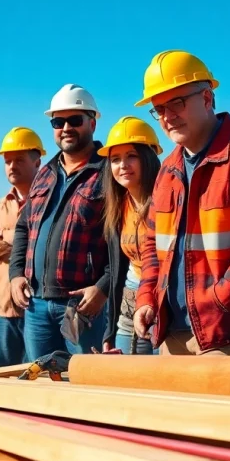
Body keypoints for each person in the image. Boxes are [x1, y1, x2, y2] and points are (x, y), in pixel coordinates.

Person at [132, 50, 230, 355]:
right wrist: (147, 297)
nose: (167, 116)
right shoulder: (168, 169)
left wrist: (219, 300)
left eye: (177, 102)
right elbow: (152, 244)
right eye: (159, 108)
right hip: (171, 335)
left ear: (206, 98)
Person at [9, 84, 113, 360]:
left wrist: (103, 287)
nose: (66, 127)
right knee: (41, 383)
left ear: (92, 123)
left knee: (83, 384)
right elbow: (23, 228)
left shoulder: (109, 172)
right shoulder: (45, 174)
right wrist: (16, 274)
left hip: (81, 305)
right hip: (36, 305)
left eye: (74, 120)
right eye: (58, 121)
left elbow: (122, 237)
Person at [0, 127, 46, 367]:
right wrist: (21, 239)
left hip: (36, 310)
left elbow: (45, 244)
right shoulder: (0, 206)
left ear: (37, 163)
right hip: (2, 310)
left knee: (37, 374)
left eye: (19, 160)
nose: (11, 166)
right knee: (1, 379)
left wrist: (4, 237)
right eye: (7, 162)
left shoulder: (49, 200)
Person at [98, 117, 163, 355]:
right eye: (115, 159)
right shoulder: (118, 206)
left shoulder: (165, 199)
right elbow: (118, 272)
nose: (123, 165)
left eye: (131, 156)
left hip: (162, 305)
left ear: (148, 157)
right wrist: (109, 331)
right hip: (129, 303)